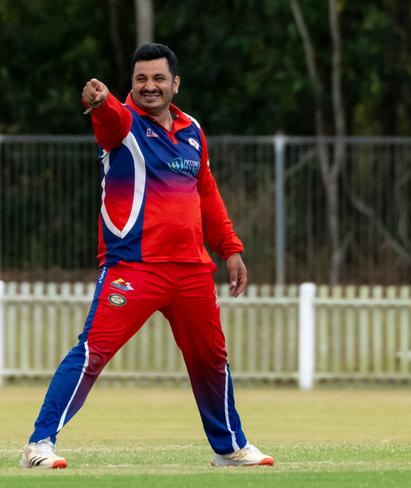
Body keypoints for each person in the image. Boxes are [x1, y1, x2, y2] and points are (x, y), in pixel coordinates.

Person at [20, 43, 274, 469]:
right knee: (92, 352)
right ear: (130, 85)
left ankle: (228, 447)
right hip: (134, 267)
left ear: (175, 83)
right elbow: (108, 122)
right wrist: (99, 103)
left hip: (192, 270)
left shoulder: (192, 129)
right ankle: (39, 445)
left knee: (211, 360)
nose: (149, 86)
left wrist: (230, 249)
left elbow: (207, 193)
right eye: (141, 79)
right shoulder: (121, 121)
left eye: (158, 79)